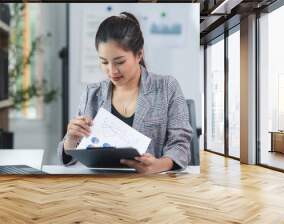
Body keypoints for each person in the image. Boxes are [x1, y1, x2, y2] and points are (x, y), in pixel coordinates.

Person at [57, 12, 193, 174]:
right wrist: (71, 139)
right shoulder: (91, 93)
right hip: (100, 188)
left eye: (120, 62)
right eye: (104, 62)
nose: (112, 71)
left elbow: (181, 145)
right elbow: (67, 160)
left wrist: (158, 165)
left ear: (139, 54)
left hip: (153, 187)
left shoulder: (166, 87)